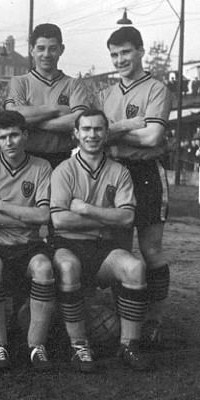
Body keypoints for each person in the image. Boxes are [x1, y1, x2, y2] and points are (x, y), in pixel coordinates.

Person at [50, 109, 151, 372]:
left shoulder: (119, 171)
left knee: (135, 268)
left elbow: (128, 218)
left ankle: (129, 345)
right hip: (68, 244)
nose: (92, 135)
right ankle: (79, 347)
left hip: (104, 247)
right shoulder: (64, 170)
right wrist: (108, 217)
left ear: (106, 134)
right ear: (76, 134)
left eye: (97, 129)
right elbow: (60, 221)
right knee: (68, 267)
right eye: (86, 129)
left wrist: (86, 210)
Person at [99, 26, 172, 348]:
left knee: (151, 250)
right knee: (118, 251)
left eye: (125, 52)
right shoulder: (105, 95)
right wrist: (129, 125)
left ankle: (153, 320)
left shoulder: (157, 89)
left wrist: (111, 133)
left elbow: (153, 138)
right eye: (114, 55)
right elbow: (96, 136)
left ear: (140, 51)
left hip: (145, 173)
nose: (120, 60)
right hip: (113, 173)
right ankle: (126, 316)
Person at [0, 110, 54, 371]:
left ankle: (37, 346)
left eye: (14, 135)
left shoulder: (42, 167)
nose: (9, 142)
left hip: (28, 244)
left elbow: (43, 215)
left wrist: (1, 205)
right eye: (3, 137)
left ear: (26, 136)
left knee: (44, 267)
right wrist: (23, 216)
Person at [4, 23, 90, 169]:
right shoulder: (19, 82)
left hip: (61, 160)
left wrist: (31, 121)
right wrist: (57, 110)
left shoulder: (74, 84)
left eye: (52, 48)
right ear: (31, 50)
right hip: (25, 161)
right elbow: (13, 119)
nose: (46, 54)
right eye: (41, 48)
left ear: (61, 50)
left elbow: (80, 122)